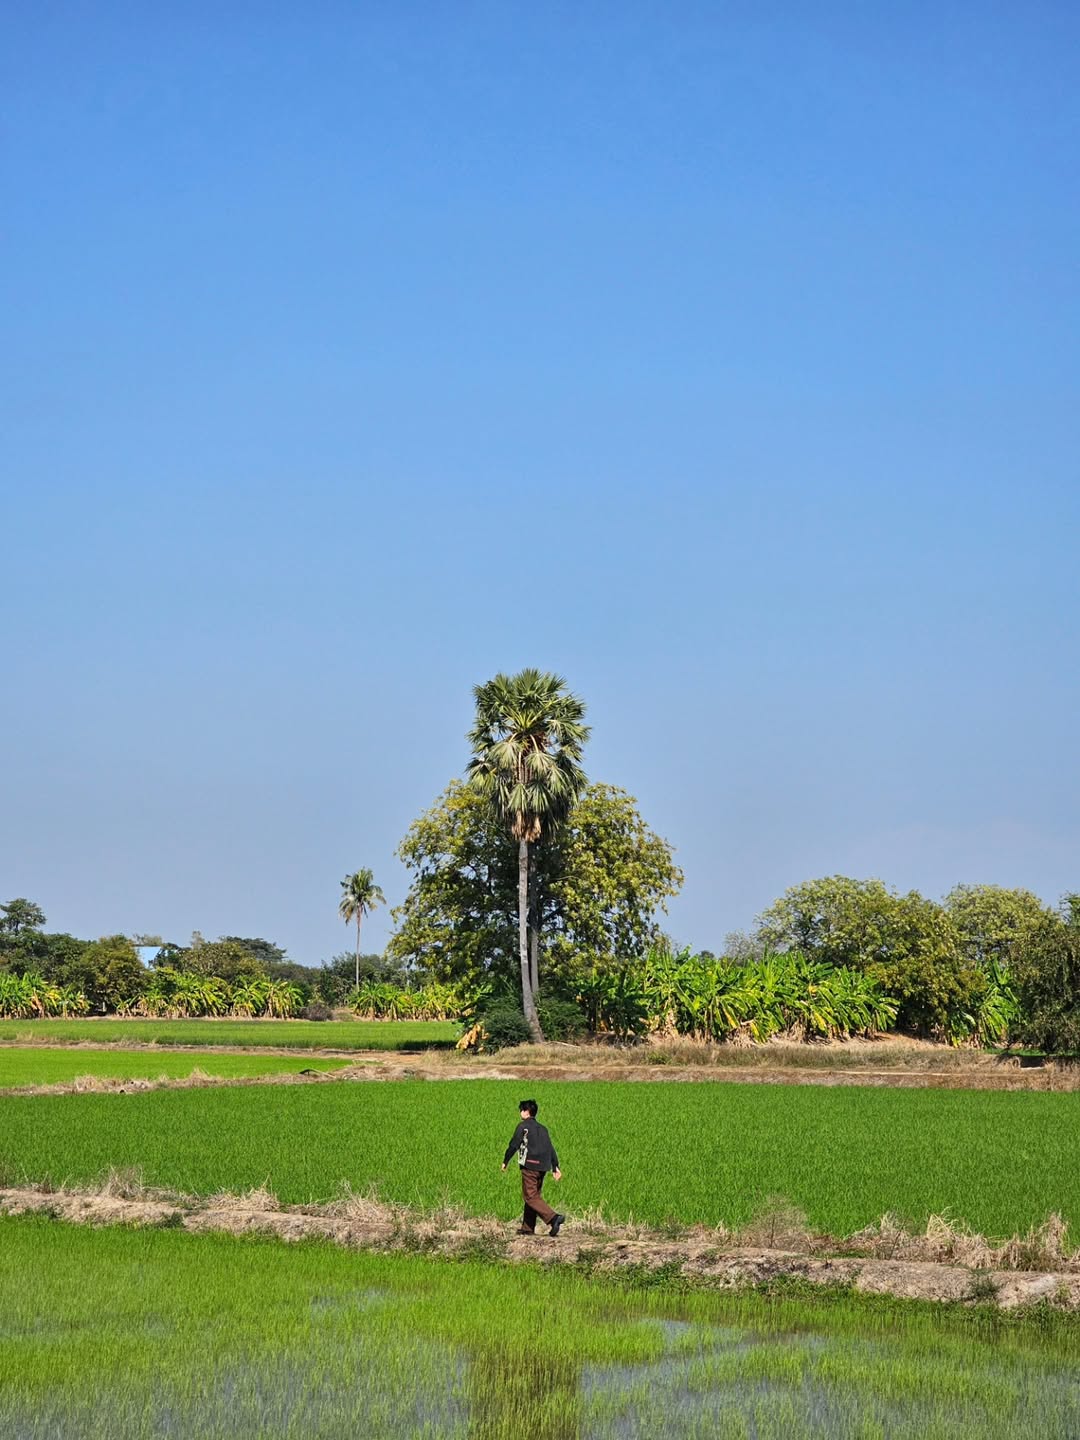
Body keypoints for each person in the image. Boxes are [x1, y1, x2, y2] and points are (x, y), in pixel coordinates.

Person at [501, 1098, 565, 1237]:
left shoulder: (523, 1127)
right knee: (533, 1196)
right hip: (543, 1166)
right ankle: (527, 1228)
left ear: (527, 1112)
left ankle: (553, 1218)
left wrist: (506, 1161)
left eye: (522, 1110)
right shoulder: (543, 1129)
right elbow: (550, 1148)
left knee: (530, 1197)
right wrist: (555, 1166)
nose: (520, 1112)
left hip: (529, 1165)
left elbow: (514, 1144)